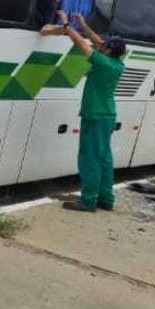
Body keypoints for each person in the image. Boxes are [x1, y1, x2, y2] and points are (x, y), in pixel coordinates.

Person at [42, 11, 126, 212]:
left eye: (105, 46)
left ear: (108, 51)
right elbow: (97, 42)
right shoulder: (116, 63)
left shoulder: (103, 63)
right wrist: (84, 24)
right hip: (106, 116)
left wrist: (66, 26)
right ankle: (106, 199)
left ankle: (88, 201)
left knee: (89, 158)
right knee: (104, 158)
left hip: (95, 116)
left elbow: (83, 45)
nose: (101, 45)